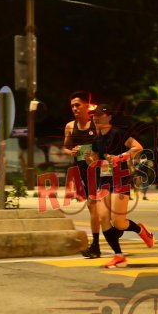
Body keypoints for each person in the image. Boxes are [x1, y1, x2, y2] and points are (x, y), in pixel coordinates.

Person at [85, 104, 155, 268]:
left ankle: (141, 230)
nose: (95, 117)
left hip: (120, 179)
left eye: (99, 115)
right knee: (103, 217)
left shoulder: (118, 133)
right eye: (94, 115)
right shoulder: (96, 139)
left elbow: (138, 147)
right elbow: (95, 163)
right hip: (104, 180)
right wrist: (88, 158)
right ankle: (118, 255)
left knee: (118, 222)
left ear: (109, 117)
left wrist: (120, 157)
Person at [62, 91, 102, 259]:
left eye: (77, 105)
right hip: (83, 171)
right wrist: (71, 151)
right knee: (93, 207)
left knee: (99, 207)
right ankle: (96, 245)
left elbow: (106, 146)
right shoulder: (70, 127)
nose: (74, 108)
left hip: (100, 170)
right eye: (72, 106)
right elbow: (66, 147)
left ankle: (96, 245)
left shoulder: (97, 124)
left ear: (87, 105)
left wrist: (95, 154)